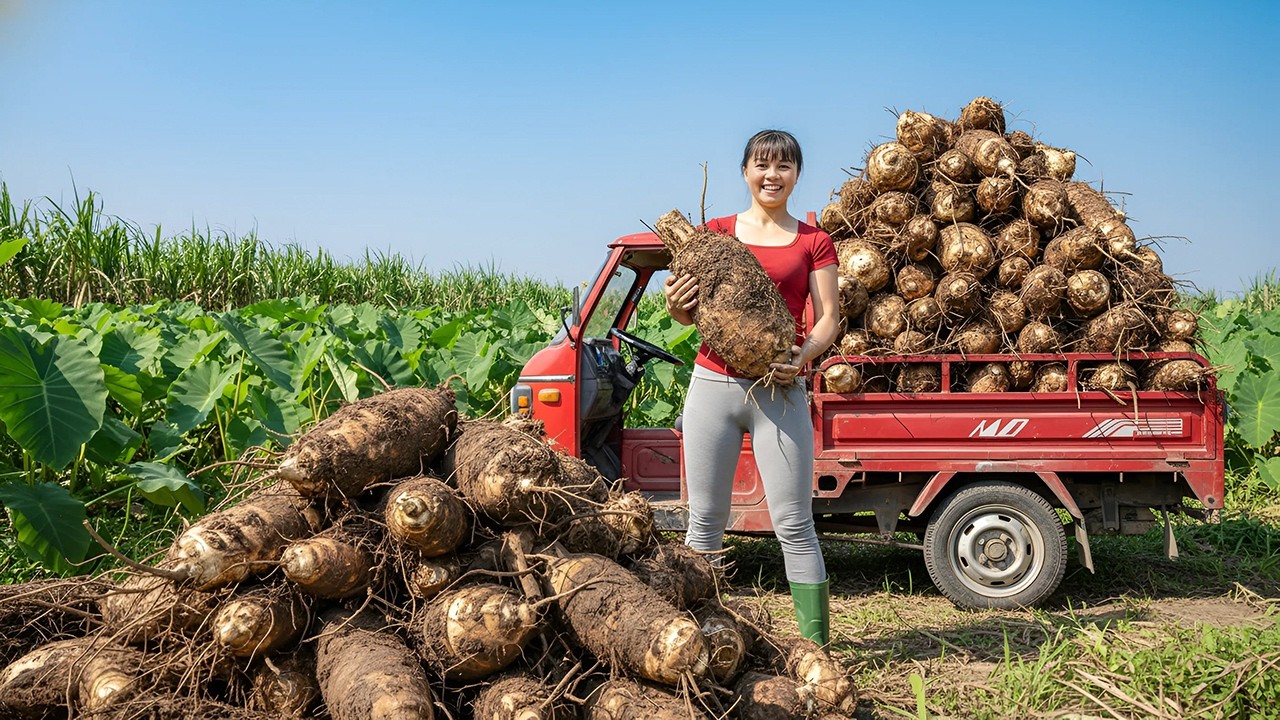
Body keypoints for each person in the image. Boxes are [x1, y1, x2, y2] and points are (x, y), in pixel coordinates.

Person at [663, 129, 841, 645]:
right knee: (705, 522)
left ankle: (817, 647)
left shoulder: (814, 241)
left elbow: (829, 318)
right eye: (762, 165)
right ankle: (696, 639)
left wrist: (804, 356)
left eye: (783, 166)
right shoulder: (716, 232)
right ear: (745, 171)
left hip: (778, 390)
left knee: (795, 524)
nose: (772, 175)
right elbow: (684, 311)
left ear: (796, 175)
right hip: (713, 385)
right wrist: (676, 302)